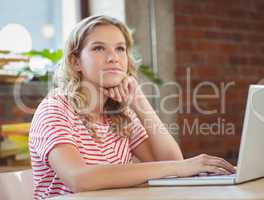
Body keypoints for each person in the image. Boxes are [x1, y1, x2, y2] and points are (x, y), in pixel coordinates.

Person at [28, 15, 235, 199]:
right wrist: (179, 167)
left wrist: (139, 101)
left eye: (120, 49)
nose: (113, 57)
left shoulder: (120, 114)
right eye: (99, 48)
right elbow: (79, 179)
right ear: (75, 62)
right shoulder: (55, 109)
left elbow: (171, 162)